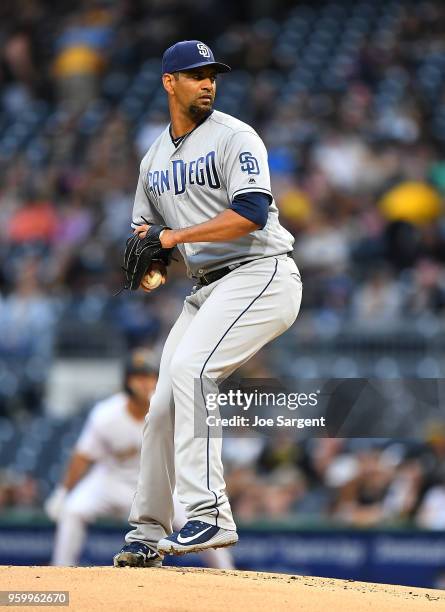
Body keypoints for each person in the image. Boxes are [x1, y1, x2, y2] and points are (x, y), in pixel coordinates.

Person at [113, 40, 302, 568]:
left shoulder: (235, 136)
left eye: (212, 74)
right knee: (162, 407)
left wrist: (172, 239)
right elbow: (147, 240)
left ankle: (209, 512)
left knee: (194, 370)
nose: (207, 83)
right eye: (195, 75)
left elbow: (251, 213)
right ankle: (148, 532)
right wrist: (154, 260)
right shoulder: (153, 160)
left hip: (261, 273)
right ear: (168, 82)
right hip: (205, 288)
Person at [45, 351, 233, 569]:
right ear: (128, 382)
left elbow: (198, 451)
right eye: (139, 378)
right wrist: (63, 492)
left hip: (160, 485)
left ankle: (227, 572)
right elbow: (82, 456)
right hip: (111, 481)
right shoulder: (107, 414)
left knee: (202, 517)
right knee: (73, 509)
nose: (146, 383)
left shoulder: (170, 410)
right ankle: (59, 568)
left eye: (151, 377)